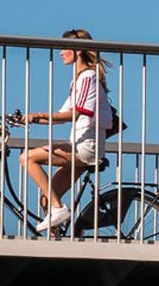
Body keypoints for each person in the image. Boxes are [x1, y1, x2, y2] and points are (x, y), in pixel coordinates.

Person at [20, 28, 115, 234]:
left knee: (27, 158)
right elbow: (61, 115)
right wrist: (31, 120)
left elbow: (75, 114)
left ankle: (59, 209)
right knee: (47, 197)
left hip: (85, 148)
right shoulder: (79, 79)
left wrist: (38, 114)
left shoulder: (88, 77)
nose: (61, 52)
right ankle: (55, 242)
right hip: (80, 146)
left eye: (65, 48)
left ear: (78, 50)